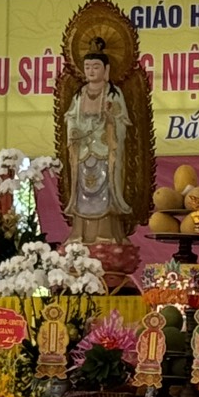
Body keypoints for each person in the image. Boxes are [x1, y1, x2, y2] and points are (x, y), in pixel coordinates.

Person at [63, 39, 133, 244]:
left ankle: (106, 234)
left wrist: (111, 119)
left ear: (106, 69)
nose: (91, 71)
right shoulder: (79, 95)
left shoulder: (113, 93)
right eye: (87, 67)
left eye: (96, 67)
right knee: (81, 191)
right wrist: (73, 132)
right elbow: (71, 118)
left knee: (106, 189)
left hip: (105, 149)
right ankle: (80, 234)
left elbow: (122, 121)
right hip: (83, 151)